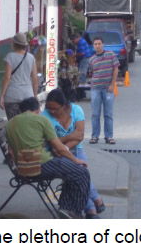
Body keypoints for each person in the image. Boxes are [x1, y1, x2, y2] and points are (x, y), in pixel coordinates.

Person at [5, 96, 90, 219]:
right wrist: (76, 160)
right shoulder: (41, 120)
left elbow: (11, 151)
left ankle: (66, 209)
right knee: (82, 173)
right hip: (42, 164)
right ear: (37, 109)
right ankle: (74, 211)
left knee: (70, 171)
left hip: (22, 167)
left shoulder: (10, 124)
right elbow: (59, 147)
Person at [43, 88, 105, 219]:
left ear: (64, 106)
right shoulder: (45, 117)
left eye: (55, 109)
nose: (51, 111)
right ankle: (94, 204)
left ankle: (91, 209)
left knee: (81, 171)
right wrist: (66, 142)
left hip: (74, 147)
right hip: (56, 153)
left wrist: (62, 145)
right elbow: (54, 145)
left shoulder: (76, 110)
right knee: (80, 172)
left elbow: (80, 135)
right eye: (49, 108)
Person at [0, 32, 38, 119]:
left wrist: (2, 96)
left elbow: (7, 77)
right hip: (28, 96)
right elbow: (35, 79)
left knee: (13, 126)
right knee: (27, 125)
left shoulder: (10, 57)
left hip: (12, 96)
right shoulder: (31, 58)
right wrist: (35, 96)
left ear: (14, 44)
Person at [88, 37, 119, 144]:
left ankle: (109, 136)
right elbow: (91, 73)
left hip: (108, 89)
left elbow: (116, 69)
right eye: (95, 44)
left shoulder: (111, 55)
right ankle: (94, 136)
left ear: (103, 44)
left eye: (99, 43)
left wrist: (112, 84)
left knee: (108, 114)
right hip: (95, 89)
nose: (97, 46)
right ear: (93, 46)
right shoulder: (91, 59)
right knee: (95, 114)